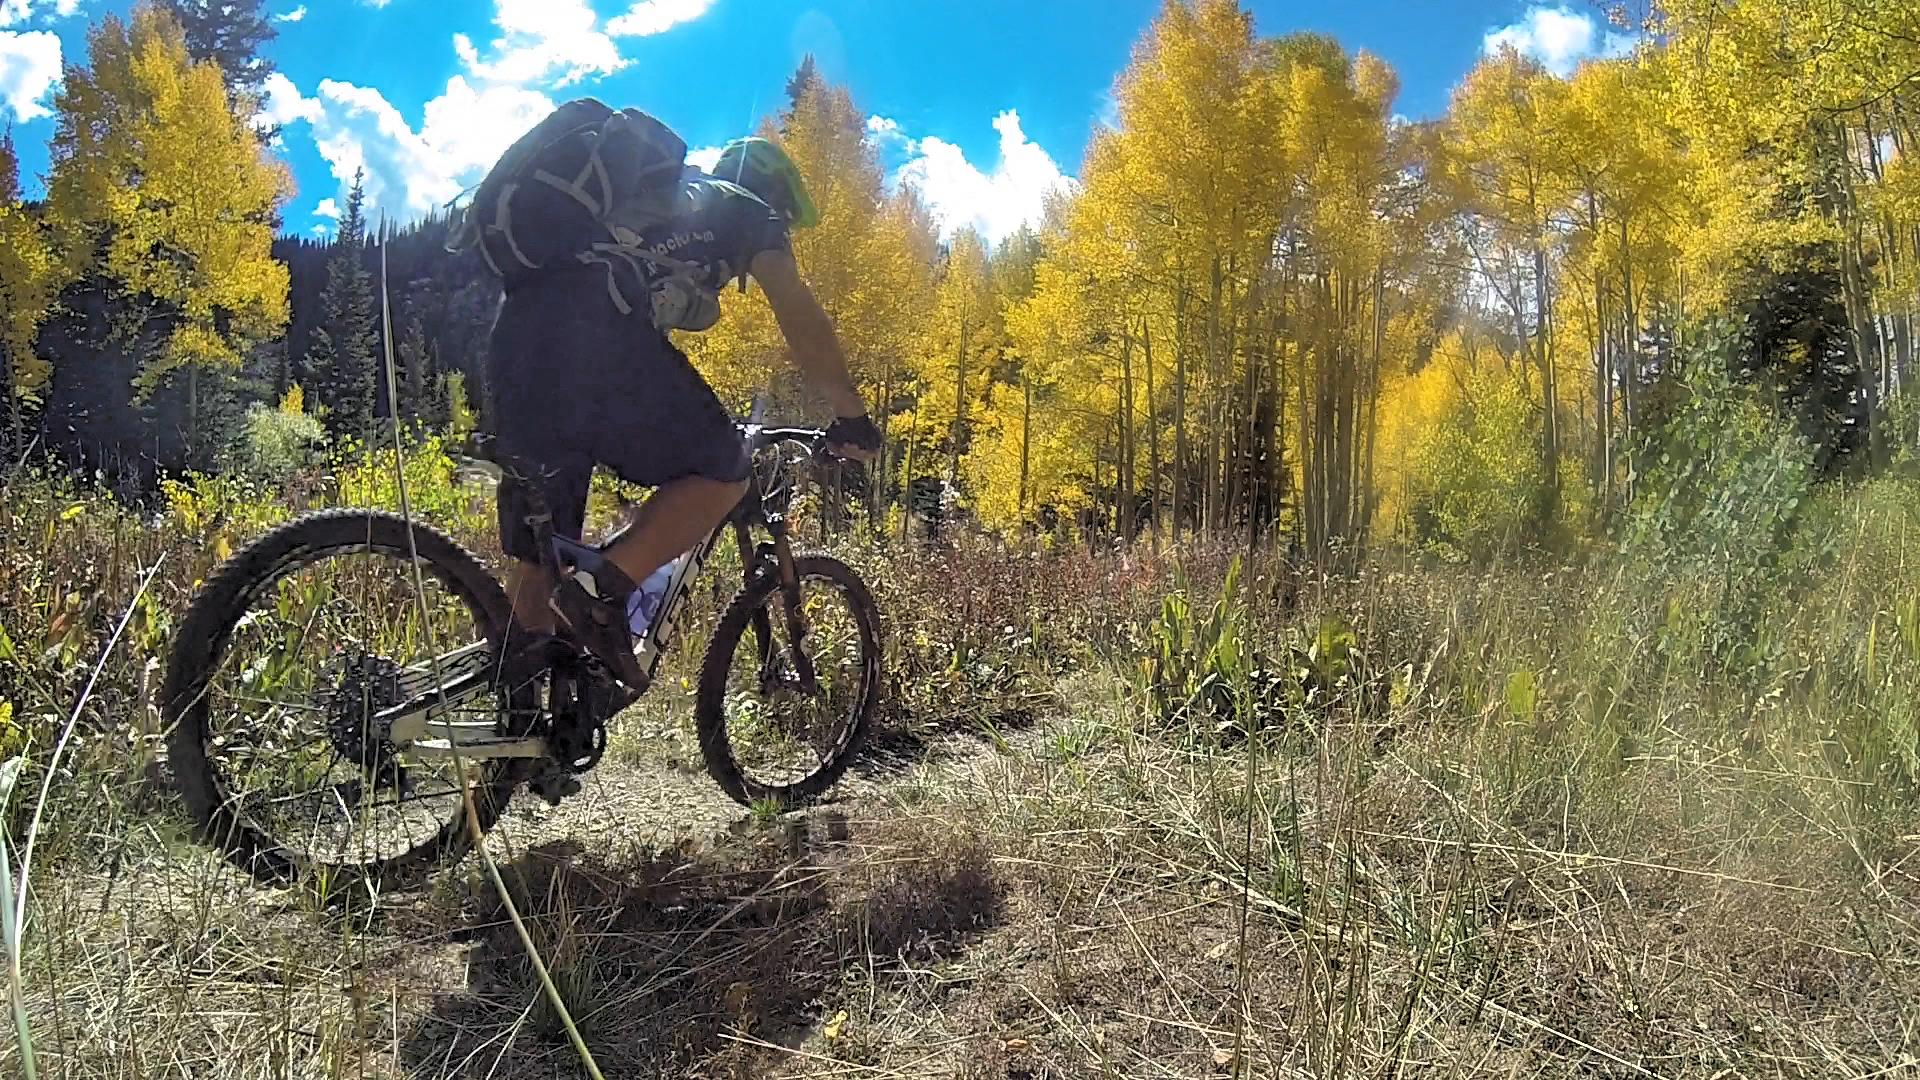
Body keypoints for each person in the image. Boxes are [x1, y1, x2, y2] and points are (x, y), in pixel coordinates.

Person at [487, 135, 881, 688]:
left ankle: (516, 747)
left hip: (515, 340)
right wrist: (852, 415)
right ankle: (602, 595)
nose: (783, 234)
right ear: (774, 195)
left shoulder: (656, 208)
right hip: (593, 338)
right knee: (725, 473)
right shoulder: (746, 209)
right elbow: (801, 317)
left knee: (541, 562)